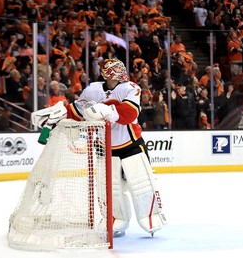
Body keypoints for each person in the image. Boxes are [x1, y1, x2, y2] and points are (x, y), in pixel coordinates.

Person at [31, 58, 166, 237]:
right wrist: (59, 114)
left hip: (131, 145)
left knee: (142, 184)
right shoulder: (93, 90)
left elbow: (128, 114)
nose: (120, 74)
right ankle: (116, 221)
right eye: (115, 70)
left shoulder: (131, 88)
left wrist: (106, 110)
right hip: (104, 147)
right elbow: (77, 112)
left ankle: (151, 216)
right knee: (110, 189)